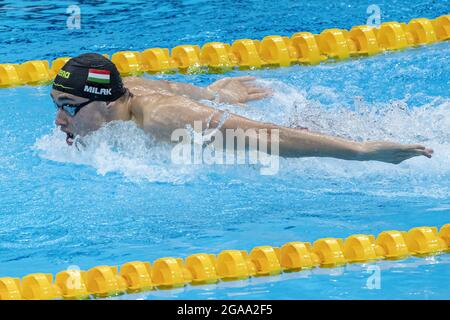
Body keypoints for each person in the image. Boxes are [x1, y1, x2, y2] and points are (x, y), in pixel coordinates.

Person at [51, 53, 433, 164]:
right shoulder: (123, 92)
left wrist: (361, 152)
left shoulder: (163, 120)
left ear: (102, 101)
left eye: (68, 107)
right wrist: (215, 91)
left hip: (283, 129)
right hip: (226, 113)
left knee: (349, 132)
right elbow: (167, 84)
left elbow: (266, 136)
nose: (59, 120)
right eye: (56, 106)